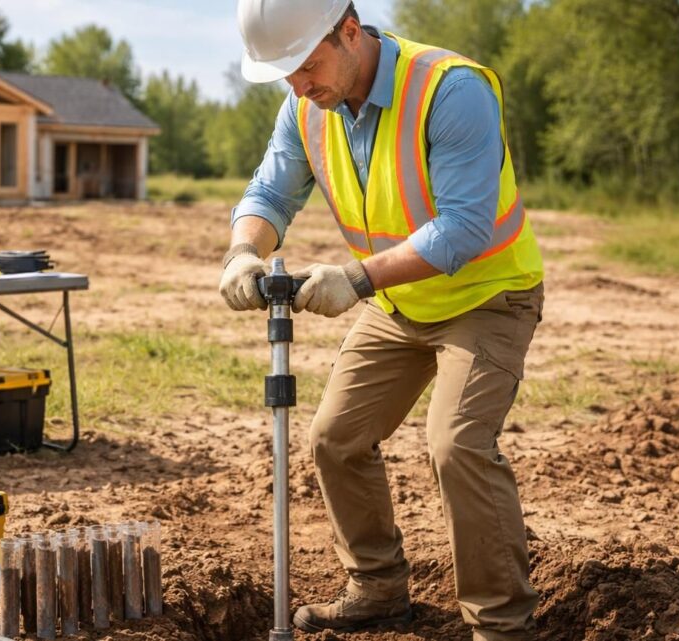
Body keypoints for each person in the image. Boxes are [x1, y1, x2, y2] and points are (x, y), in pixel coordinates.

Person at [219, 1, 545, 640]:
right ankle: (376, 588)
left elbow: (465, 227)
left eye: (306, 66)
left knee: (456, 446)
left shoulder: (450, 90)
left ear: (348, 32)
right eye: (285, 75)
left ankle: (501, 625)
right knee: (335, 437)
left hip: (487, 296)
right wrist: (241, 250)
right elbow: (271, 192)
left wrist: (358, 278)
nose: (299, 86)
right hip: (401, 304)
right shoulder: (307, 107)